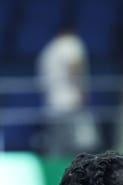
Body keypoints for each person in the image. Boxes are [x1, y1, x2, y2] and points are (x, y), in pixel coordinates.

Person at [37, 26, 98, 155]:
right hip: (71, 99)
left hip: (52, 102)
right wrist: (80, 89)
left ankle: (57, 163)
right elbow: (73, 66)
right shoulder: (70, 44)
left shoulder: (49, 50)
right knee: (77, 142)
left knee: (58, 141)